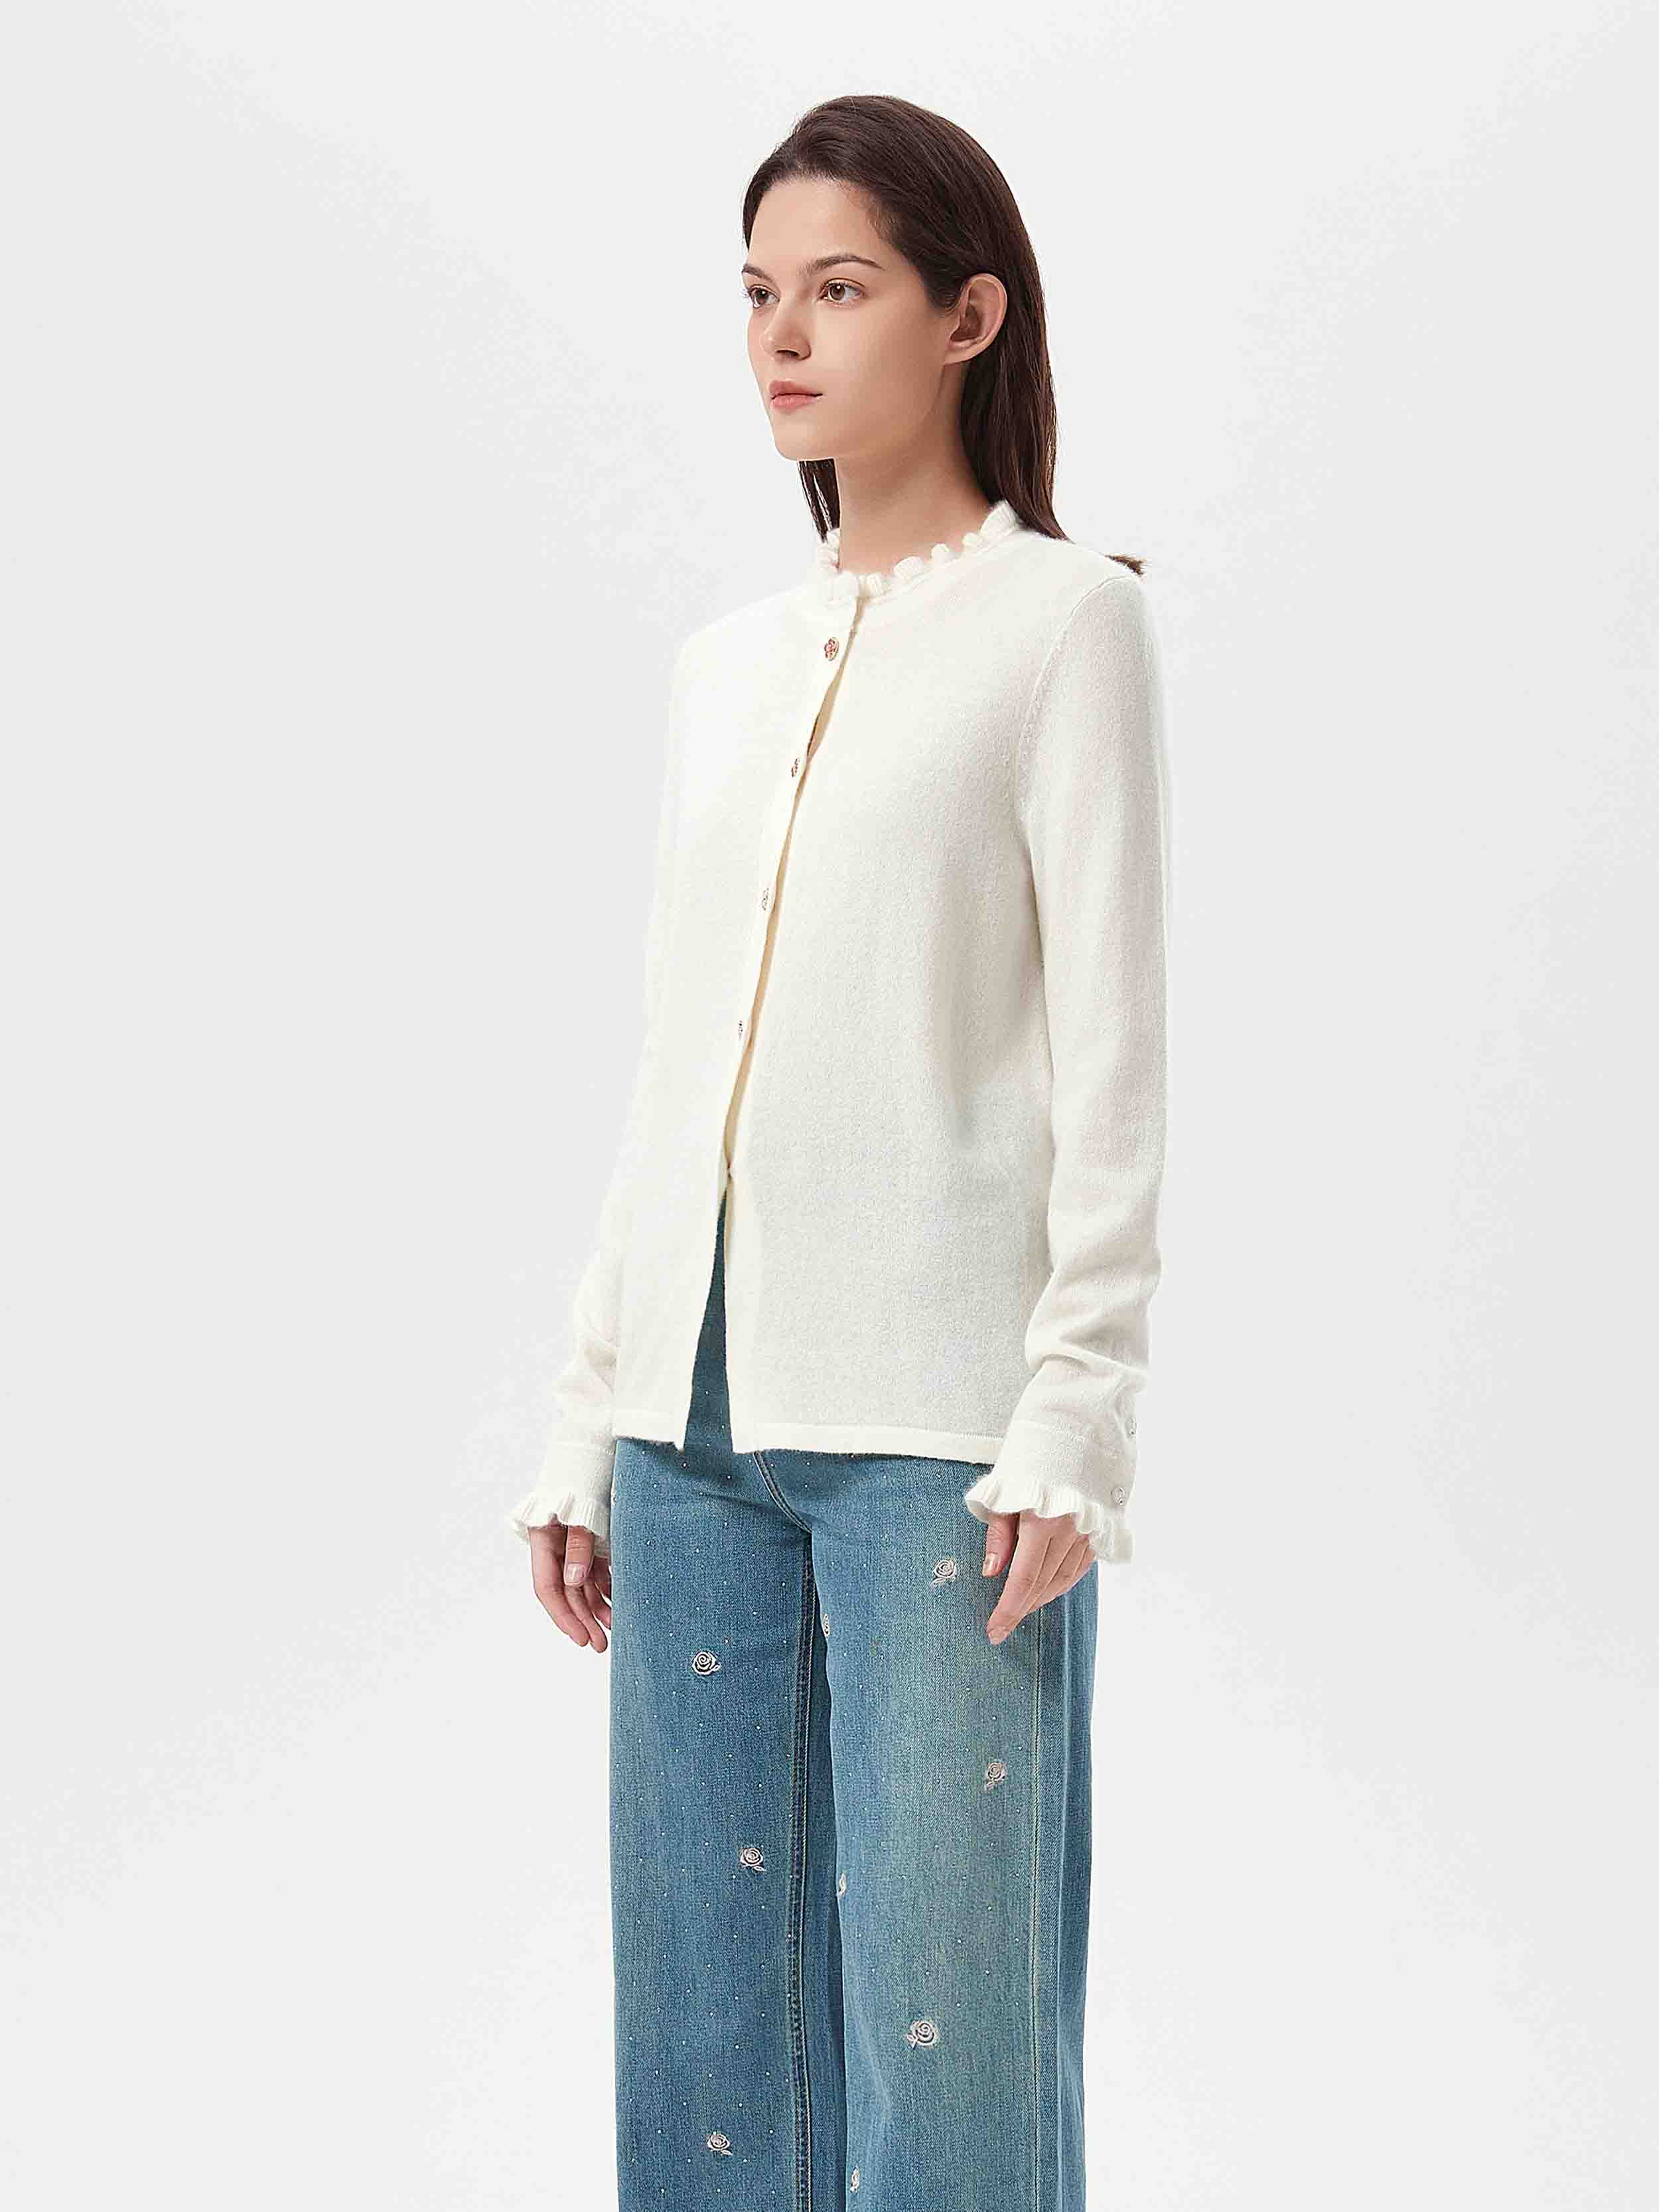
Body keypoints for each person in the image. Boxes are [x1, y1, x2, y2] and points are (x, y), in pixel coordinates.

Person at [508, 92, 1171, 2212]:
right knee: (706, 2040)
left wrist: (1074, 1413)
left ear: (969, 317)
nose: (783, 336)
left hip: (942, 1435)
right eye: (758, 294)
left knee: (948, 2042)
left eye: (841, 288)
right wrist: (590, 1414)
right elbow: (677, 1065)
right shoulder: (721, 670)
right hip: (691, 1422)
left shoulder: (1064, 625)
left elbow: (1112, 1056)